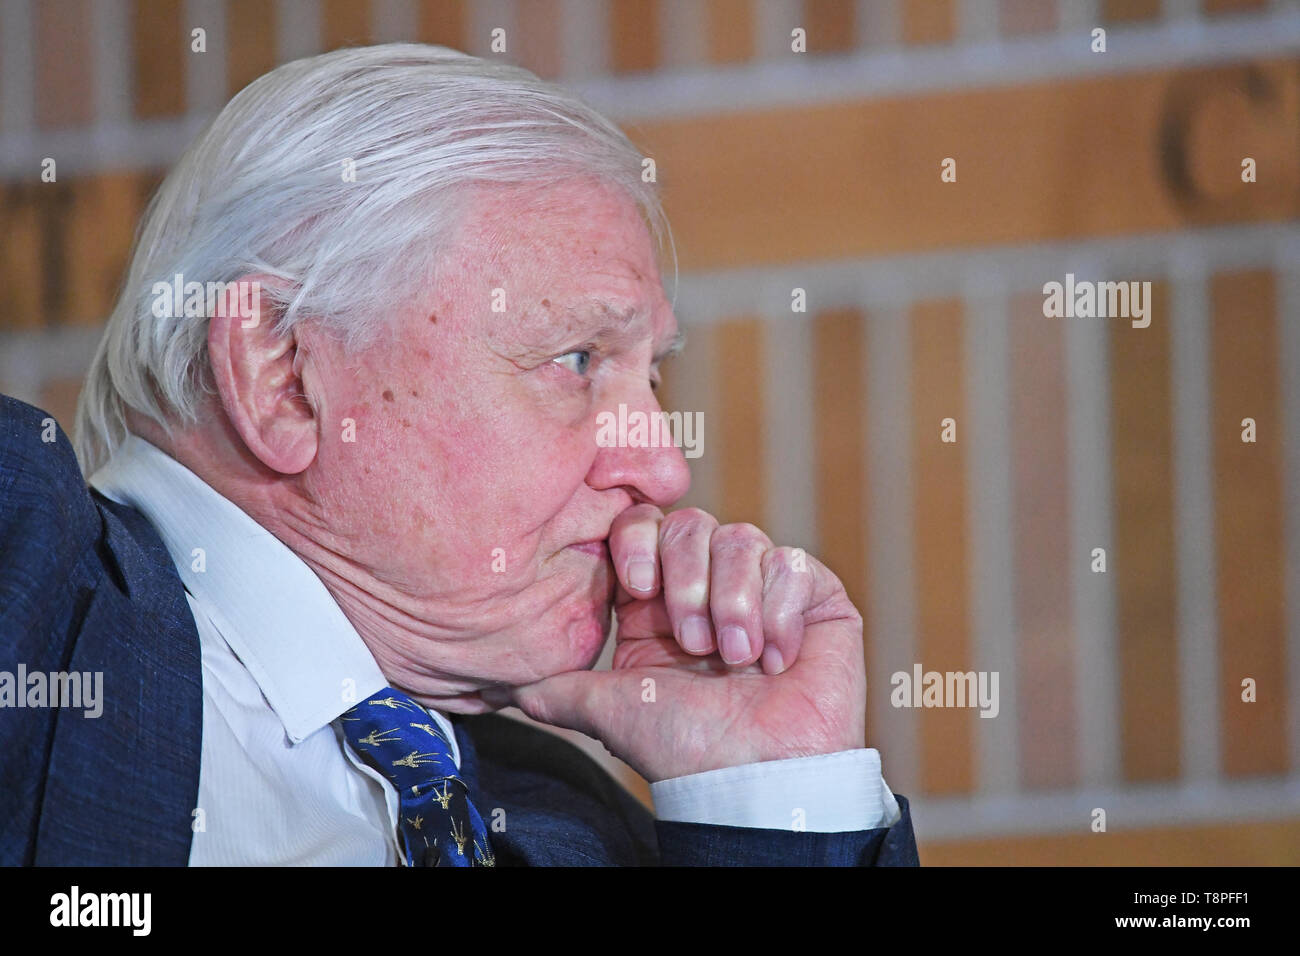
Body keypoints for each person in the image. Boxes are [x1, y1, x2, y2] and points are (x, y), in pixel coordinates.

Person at [0, 44, 917, 866]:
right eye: (577, 360)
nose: (665, 469)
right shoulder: (28, 578)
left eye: (653, 378)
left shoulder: (578, 818)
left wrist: (767, 799)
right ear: (281, 373)